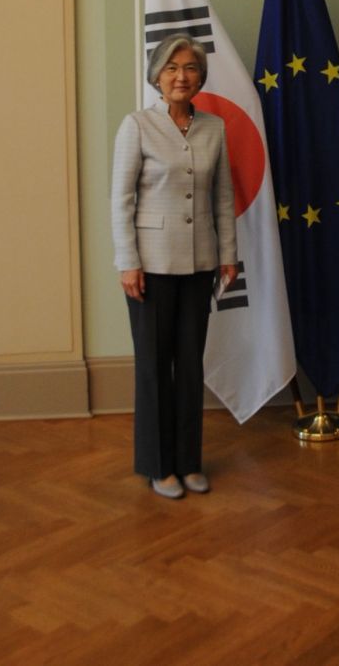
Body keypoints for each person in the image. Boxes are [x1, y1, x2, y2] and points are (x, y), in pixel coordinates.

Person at [111, 33, 239, 499]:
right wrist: (128, 262)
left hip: (200, 262)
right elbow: (120, 200)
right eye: (171, 68)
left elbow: (222, 196)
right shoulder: (137, 126)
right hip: (151, 266)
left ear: (200, 76)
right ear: (157, 77)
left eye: (189, 68)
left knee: (189, 366)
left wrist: (228, 254)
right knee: (152, 365)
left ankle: (188, 462)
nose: (181, 76)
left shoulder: (213, 128)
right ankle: (157, 465)